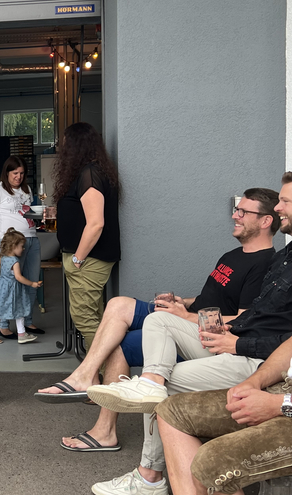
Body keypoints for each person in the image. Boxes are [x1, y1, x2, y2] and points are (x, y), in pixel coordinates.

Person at [85, 174, 292, 495]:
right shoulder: (284, 258)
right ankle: (143, 383)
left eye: (286, 202)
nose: (280, 208)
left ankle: (149, 477)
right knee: (155, 321)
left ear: (265, 220)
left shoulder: (268, 259)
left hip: (253, 359)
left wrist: (233, 340)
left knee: (161, 375)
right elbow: (259, 316)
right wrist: (198, 313)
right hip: (231, 339)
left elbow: (279, 335)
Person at [34, 188, 279, 456]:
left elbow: (244, 318)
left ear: (265, 221)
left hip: (204, 333)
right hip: (188, 316)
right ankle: (86, 375)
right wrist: (182, 302)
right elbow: (212, 298)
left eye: (243, 212)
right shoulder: (233, 255)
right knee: (118, 304)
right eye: (237, 209)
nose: (235, 215)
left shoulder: (265, 263)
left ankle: (104, 430)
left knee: (123, 343)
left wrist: (185, 316)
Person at [145, 334, 292, 495]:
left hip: (284, 404)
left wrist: (281, 404)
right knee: (172, 411)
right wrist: (253, 382)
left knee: (211, 463)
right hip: (282, 389)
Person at [53, 122, 121, 349]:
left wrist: (77, 259)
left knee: (84, 317)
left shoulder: (89, 175)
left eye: (65, 144)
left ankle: (101, 368)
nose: (61, 148)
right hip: (87, 258)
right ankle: (104, 367)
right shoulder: (91, 172)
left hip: (88, 259)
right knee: (95, 317)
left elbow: (95, 224)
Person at [0, 155, 44, 336]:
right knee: (10, 284)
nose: (18, 177)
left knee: (32, 282)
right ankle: (3, 325)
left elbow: (26, 213)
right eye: (15, 173)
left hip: (31, 238)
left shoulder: (26, 190)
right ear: (7, 173)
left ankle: (27, 321)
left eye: (22, 173)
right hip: (10, 243)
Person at [0, 228, 42, 345]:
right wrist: (32, 283)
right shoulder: (15, 261)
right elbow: (18, 277)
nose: (23, 249)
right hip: (13, 289)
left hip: (2, 288)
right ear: (13, 246)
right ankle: (21, 334)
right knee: (20, 310)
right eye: (21, 246)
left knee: (0, 311)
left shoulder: (4, 258)